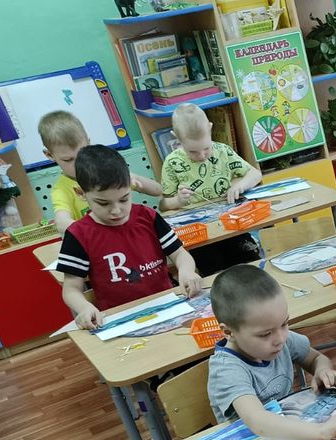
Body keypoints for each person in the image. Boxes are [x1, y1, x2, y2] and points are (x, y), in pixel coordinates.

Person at [207, 264, 336, 440]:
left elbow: (316, 358)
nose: (280, 338)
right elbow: (258, 421)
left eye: (284, 324)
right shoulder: (227, 370)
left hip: (291, 433)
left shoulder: (280, 338)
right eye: (265, 334)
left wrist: (323, 370)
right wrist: (320, 431)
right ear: (229, 332)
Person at [55, 145, 202, 329]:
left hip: (170, 306)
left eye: (124, 199)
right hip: (121, 320)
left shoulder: (148, 216)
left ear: (130, 185)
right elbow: (71, 288)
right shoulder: (78, 234)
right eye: (103, 203)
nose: (116, 210)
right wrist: (84, 307)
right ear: (81, 193)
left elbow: (180, 254)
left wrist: (186, 271)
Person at [160, 104, 263, 276]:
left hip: (231, 227)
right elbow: (163, 205)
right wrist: (177, 200)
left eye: (206, 148)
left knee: (250, 267)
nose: (201, 156)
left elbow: (255, 174)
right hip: (200, 236)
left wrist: (240, 185)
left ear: (210, 128)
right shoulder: (172, 163)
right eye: (193, 151)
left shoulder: (222, 151)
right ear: (176, 137)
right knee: (215, 273)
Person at [38, 110, 161, 234]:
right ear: (49, 155)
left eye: (82, 153)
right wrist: (93, 232)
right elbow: (61, 222)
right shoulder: (61, 190)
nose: (78, 163)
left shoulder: (106, 172)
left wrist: (131, 178)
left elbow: (157, 190)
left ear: (89, 143)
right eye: (68, 160)